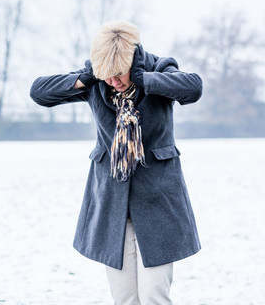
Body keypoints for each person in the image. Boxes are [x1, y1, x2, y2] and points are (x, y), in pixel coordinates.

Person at [29, 21, 202, 304]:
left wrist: (144, 79)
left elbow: (193, 88)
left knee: (154, 296)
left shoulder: (157, 68)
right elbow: (39, 92)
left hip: (159, 203)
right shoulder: (97, 78)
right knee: (124, 299)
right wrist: (88, 77)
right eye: (107, 76)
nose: (114, 82)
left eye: (119, 74)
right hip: (112, 205)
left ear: (131, 63)